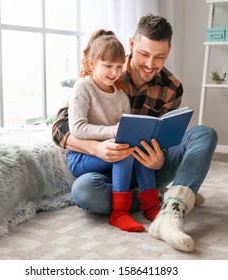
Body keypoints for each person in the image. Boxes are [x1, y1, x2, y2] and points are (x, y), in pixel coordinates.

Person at [52, 14, 218, 253]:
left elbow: (167, 137)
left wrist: (160, 158)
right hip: (106, 167)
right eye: (144, 54)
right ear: (132, 45)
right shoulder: (107, 69)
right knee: (84, 192)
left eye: (159, 56)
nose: (150, 64)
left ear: (169, 51)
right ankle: (174, 195)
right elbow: (60, 127)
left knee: (205, 134)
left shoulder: (171, 87)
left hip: (149, 166)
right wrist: (96, 148)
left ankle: (170, 213)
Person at [66, 29, 160, 233]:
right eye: (107, 66)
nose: (114, 72)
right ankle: (119, 213)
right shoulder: (83, 87)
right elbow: (77, 128)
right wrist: (113, 132)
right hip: (82, 157)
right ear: (92, 64)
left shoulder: (121, 97)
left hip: (110, 155)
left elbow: (123, 132)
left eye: (118, 66)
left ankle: (151, 206)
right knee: (122, 151)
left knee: (136, 147)